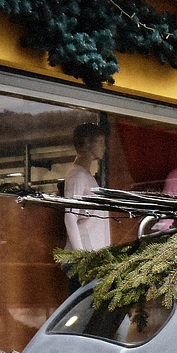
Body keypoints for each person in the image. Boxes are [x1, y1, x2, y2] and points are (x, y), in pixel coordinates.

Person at [63, 119, 111, 291]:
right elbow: (70, 216)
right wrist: (81, 257)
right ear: (87, 143)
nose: (104, 147)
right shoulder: (77, 176)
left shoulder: (85, 176)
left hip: (93, 257)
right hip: (85, 259)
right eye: (100, 142)